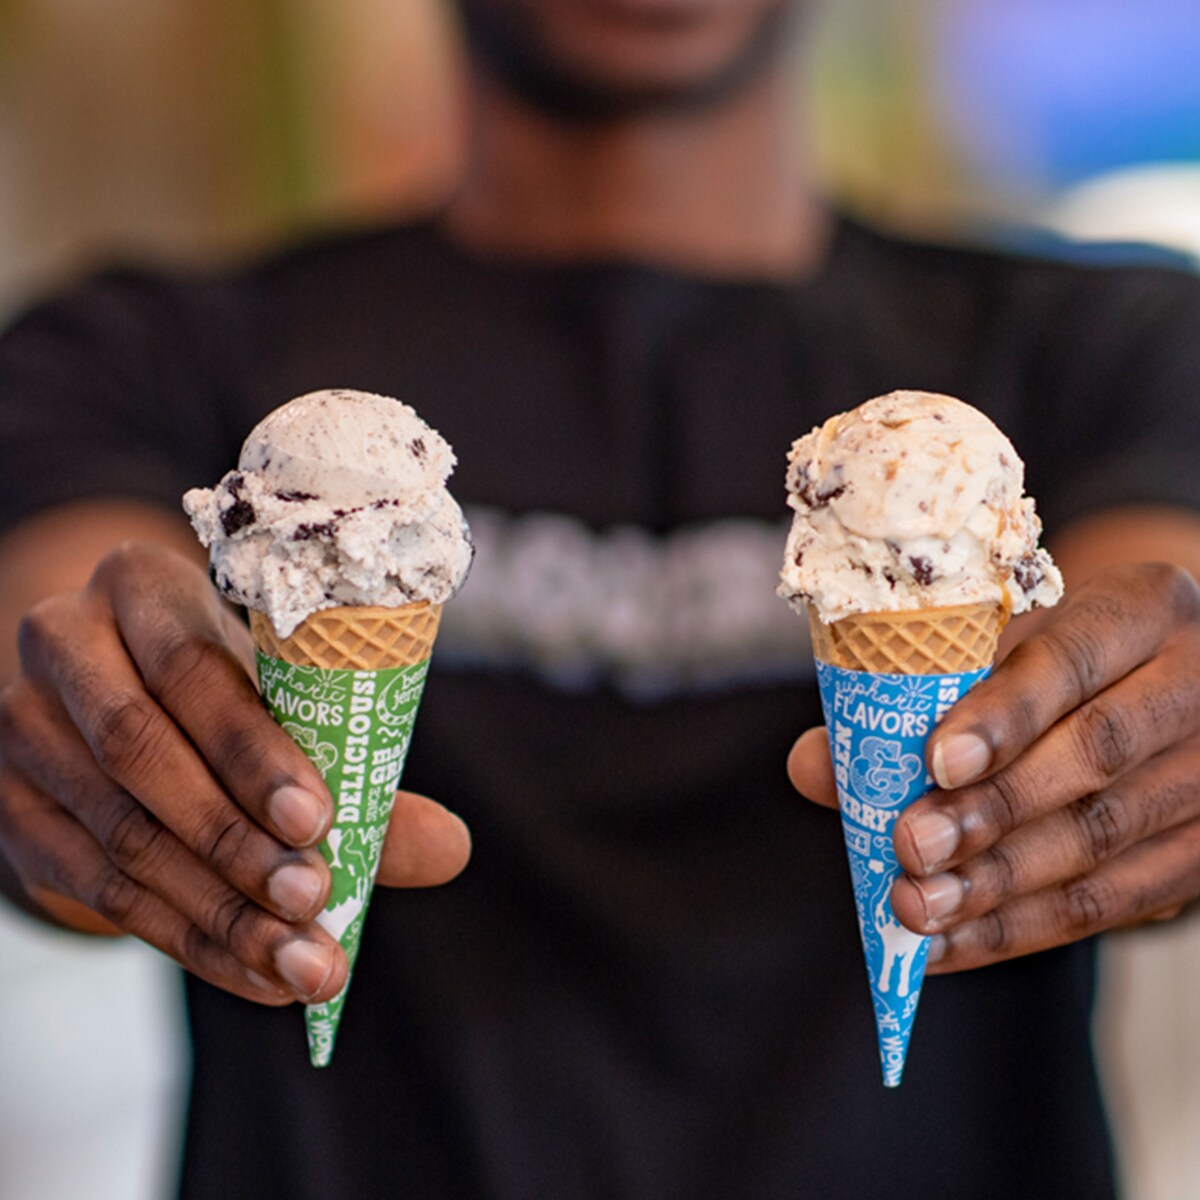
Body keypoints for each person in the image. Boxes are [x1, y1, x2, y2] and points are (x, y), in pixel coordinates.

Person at [1, 1, 1199, 1196]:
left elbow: (1155, 613)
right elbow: (63, 632)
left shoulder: (1117, 345)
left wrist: (1136, 750)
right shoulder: (136, 353)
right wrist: (98, 745)